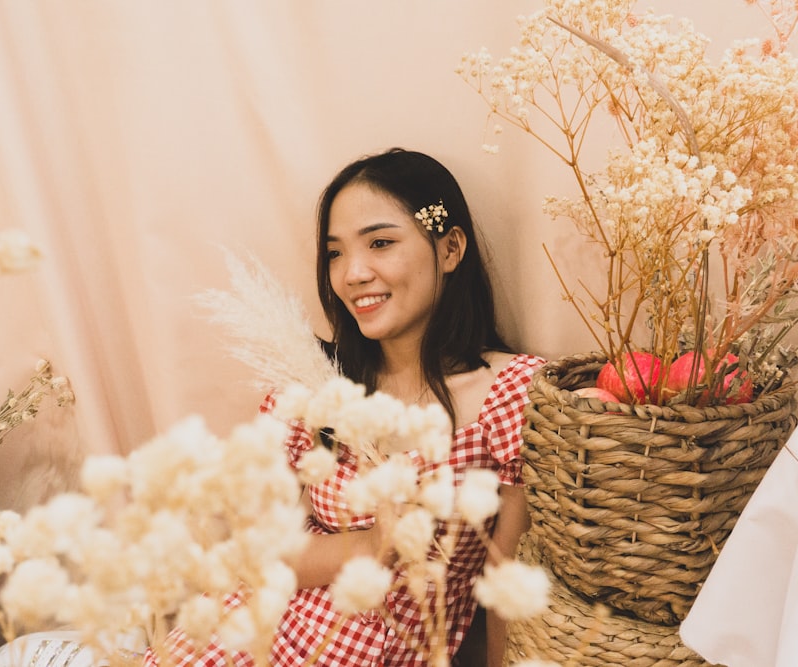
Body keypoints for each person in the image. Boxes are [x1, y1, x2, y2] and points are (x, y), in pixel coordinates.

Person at [150, 148, 544, 666]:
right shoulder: (313, 387)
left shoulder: (509, 391)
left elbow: (507, 582)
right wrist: (369, 542)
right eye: (335, 253)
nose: (353, 273)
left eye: (381, 243)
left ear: (450, 250)